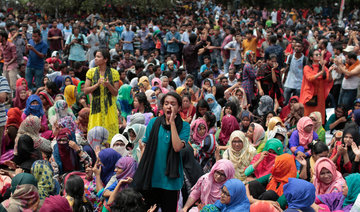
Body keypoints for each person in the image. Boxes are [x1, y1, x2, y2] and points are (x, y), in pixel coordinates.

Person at [132, 92, 190, 212]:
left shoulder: (184, 126)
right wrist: (142, 171)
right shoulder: (154, 123)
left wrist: (172, 123)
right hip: (152, 177)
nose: (169, 106)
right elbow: (145, 148)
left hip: (171, 181)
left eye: (173, 104)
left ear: (179, 108)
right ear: (162, 106)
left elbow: (177, 147)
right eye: (166, 103)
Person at [84, 49, 120, 143]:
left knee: (110, 136)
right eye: (95, 56)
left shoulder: (114, 73)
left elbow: (115, 93)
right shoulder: (91, 72)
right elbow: (86, 90)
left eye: (98, 57)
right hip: (96, 109)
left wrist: (108, 85)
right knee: (96, 134)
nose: (95, 59)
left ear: (105, 59)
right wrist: (97, 85)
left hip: (110, 108)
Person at [299, 48, 333, 123]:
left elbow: (329, 80)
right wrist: (321, 72)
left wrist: (329, 72)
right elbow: (310, 78)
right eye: (316, 55)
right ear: (311, 58)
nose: (318, 56)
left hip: (320, 97)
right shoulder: (307, 67)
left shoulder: (323, 67)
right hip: (309, 95)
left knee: (319, 118)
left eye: (319, 55)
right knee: (308, 118)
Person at [25, 28, 48, 93]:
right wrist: (26, 47)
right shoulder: (30, 41)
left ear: (39, 36)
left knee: (38, 84)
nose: (33, 38)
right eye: (33, 36)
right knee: (28, 83)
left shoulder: (44, 44)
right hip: (29, 65)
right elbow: (26, 53)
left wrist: (33, 49)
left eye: (35, 36)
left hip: (39, 67)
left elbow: (42, 56)